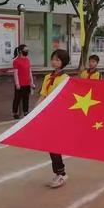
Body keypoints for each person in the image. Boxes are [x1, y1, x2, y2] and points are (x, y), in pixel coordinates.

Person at [37, 49, 71, 188]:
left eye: (57, 60)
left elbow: (64, 98)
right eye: (53, 59)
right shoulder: (47, 77)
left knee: (54, 144)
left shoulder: (65, 78)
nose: (54, 62)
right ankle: (58, 173)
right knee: (50, 145)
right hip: (47, 114)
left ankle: (61, 173)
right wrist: (36, 110)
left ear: (63, 62)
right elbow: (43, 95)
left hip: (58, 115)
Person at [12, 44, 34, 119]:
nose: (27, 51)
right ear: (21, 51)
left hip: (27, 83)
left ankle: (26, 111)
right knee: (17, 99)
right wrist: (17, 84)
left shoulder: (27, 60)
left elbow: (29, 71)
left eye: (27, 50)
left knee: (26, 98)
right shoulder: (16, 61)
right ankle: (15, 112)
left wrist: (32, 82)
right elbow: (15, 73)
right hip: (20, 84)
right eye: (25, 50)